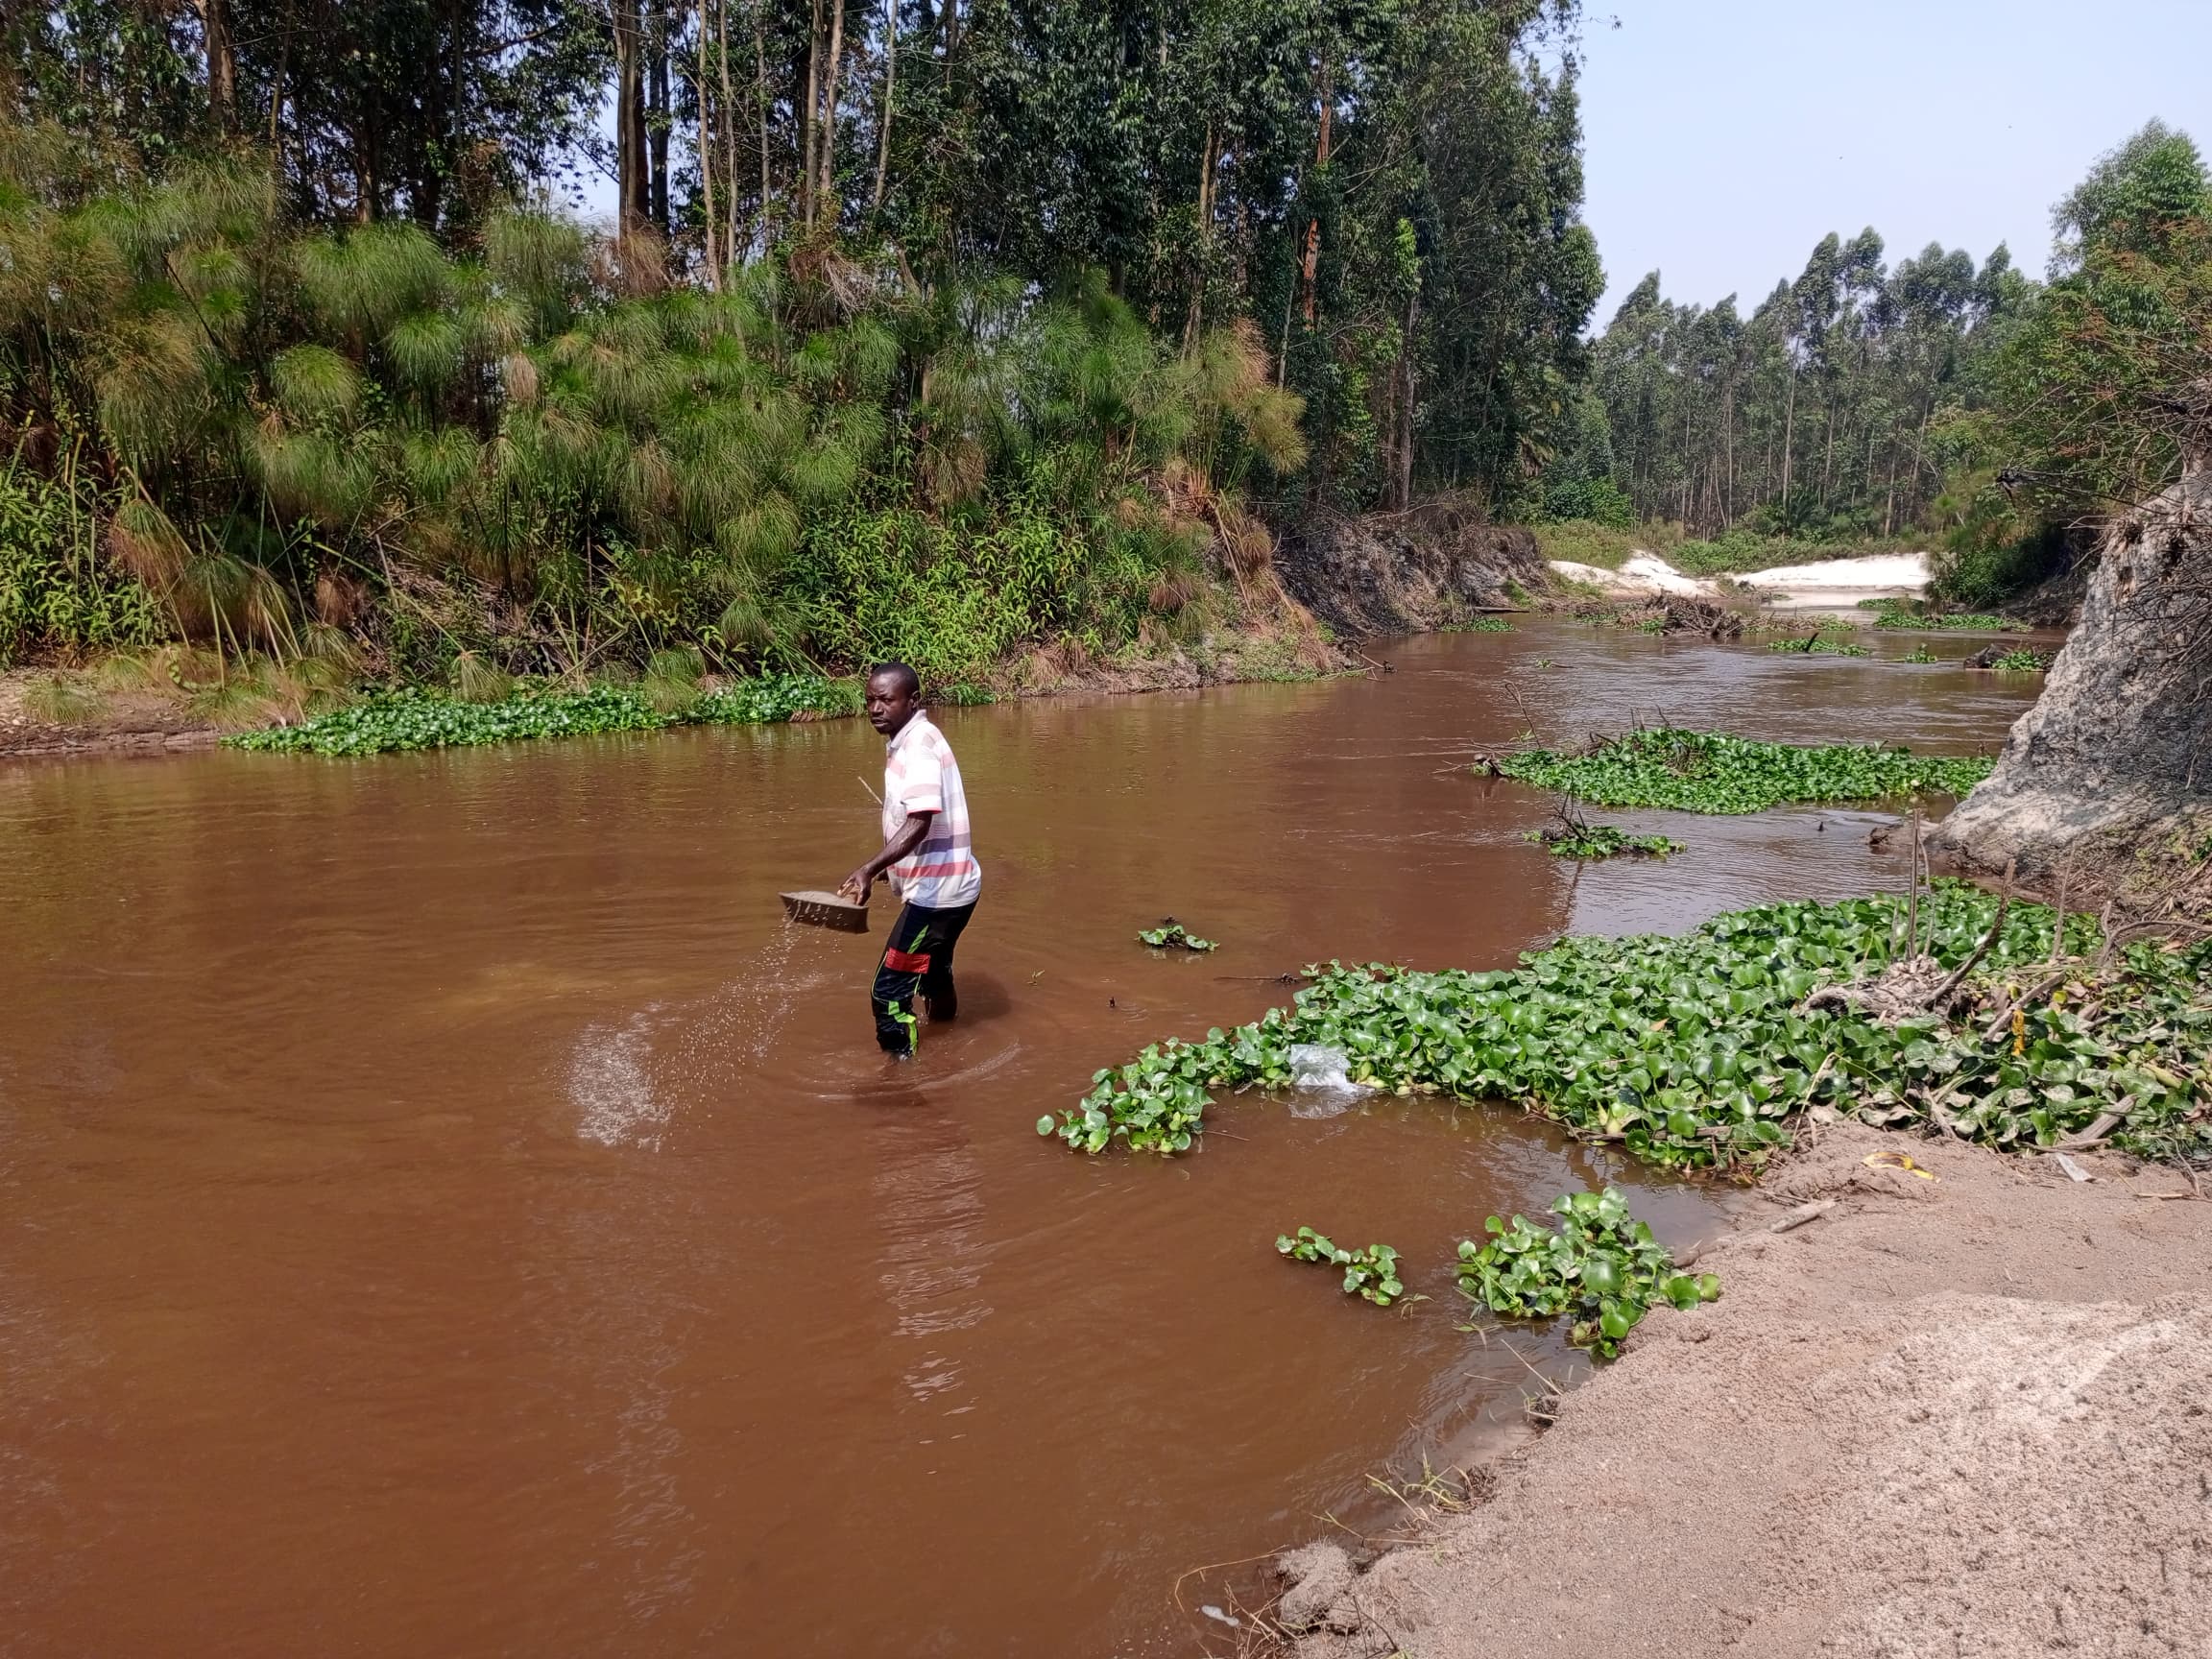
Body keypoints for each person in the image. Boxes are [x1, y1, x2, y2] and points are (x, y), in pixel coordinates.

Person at [839, 663, 982, 1056]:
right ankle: (950, 1049)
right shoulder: (912, 739)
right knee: (934, 976)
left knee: (887, 994)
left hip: (936, 898)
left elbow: (919, 821)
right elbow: (920, 825)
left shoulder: (918, 746)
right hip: (956, 884)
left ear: (913, 700)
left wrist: (869, 867)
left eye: (886, 699)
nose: (875, 708)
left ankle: (903, 1076)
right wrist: (891, 865)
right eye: (870, 699)